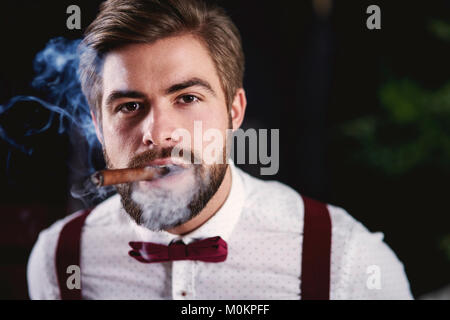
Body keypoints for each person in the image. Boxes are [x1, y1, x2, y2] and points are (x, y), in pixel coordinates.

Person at [27, 0, 413, 300]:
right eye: (129, 106)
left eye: (187, 97)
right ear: (98, 125)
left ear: (234, 111)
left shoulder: (347, 259)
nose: (159, 134)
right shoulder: (59, 258)